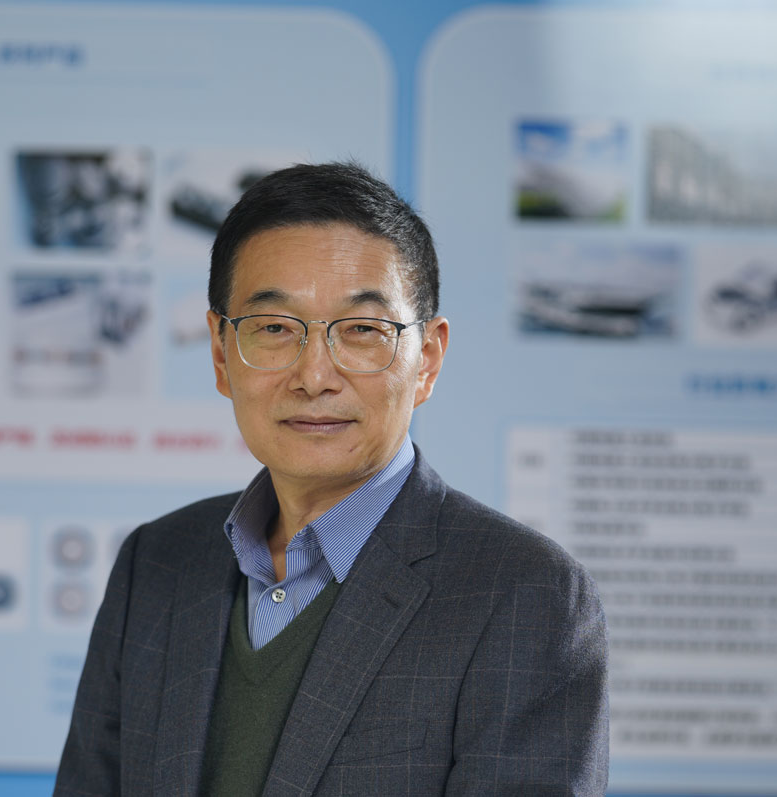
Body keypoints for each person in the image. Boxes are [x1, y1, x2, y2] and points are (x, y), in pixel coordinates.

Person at [54, 162, 609, 796]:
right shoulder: (157, 563)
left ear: (427, 360)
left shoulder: (524, 596)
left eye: (362, 330)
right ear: (219, 354)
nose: (314, 376)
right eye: (274, 328)